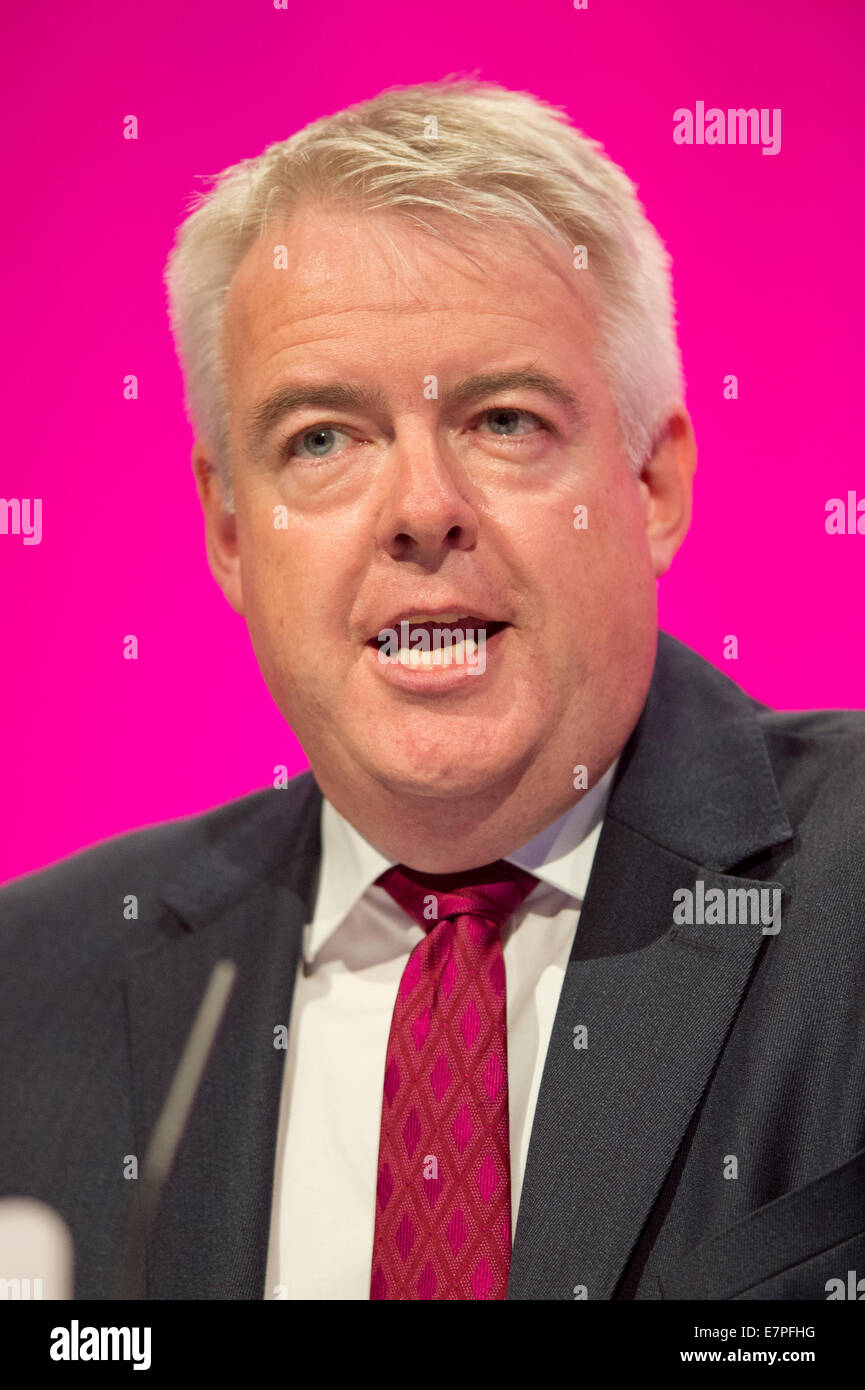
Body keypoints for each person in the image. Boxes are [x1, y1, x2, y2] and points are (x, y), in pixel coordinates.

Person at [1, 78, 863, 1302]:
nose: (419, 512)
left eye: (503, 419)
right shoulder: (25, 997)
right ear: (231, 531)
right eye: (320, 437)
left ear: (651, 483)